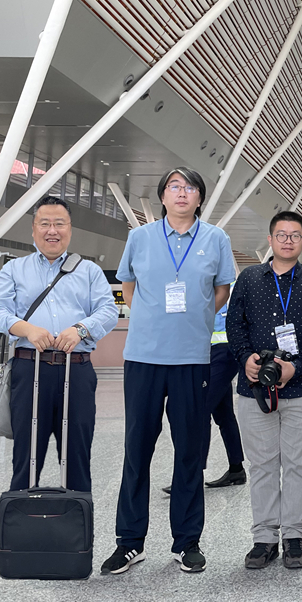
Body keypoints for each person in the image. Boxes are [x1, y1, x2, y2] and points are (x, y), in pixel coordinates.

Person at [104, 167, 235, 576]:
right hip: (143, 357)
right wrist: (152, 318)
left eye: (190, 187)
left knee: (190, 451)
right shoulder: (140, 237)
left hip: (192, 359)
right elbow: (128, 286)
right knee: (136, 450)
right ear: (162, 196)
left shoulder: (215, 238)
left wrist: (195, 318)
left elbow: (221, 290)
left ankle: (187, 542)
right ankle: (129, 542)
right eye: (174, 187)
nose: (182, 193)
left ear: (200, 198)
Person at [0, 196, 118, 493]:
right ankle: (21, 516)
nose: (52, 230)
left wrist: (81, 329)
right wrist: (28, 330)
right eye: (45, 223)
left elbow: (108, 311)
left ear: (70, 229)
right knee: (26, 455)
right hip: (28, 369)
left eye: (59, 224)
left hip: (77, 370)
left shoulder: (89, 271)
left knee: (77, 455)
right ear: (33, 229)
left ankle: (77, 516)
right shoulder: (14, 269)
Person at [227, 210, 302, 571]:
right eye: (282, 235)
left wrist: (295, 367)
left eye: (295, 235)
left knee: (298, 465)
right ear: (270, 240)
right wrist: (246, 359)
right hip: (254, 388)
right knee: (262, 464)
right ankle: (265, 537)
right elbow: (234, 324)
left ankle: (295, 536)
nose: (288, 240)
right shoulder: (249, 279)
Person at [162, 285, 246, 495]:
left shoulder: (230, 287)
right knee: (223, 413)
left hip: (224, 352)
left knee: (198, 409)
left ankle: (191, 474)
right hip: (203, 352)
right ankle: (236, 469)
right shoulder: (198, 285)